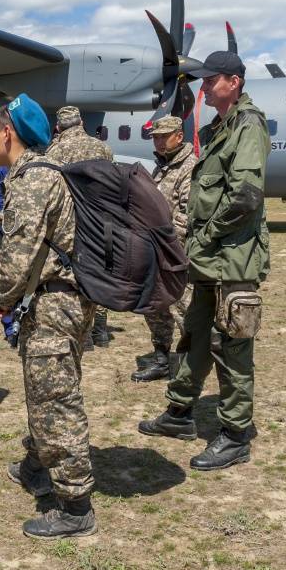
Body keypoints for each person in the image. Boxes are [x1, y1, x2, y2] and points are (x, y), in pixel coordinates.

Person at [138, 51, 270, 471]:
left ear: (233, 81)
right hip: (210, 261)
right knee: (193, 337)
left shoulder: (248, 125)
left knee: (232, 348)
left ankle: (234, 435)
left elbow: (246, 197)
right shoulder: (218, 128)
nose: (203, 88)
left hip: (232, 260)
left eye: (210, 80)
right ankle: (179, 413)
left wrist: (203, 239)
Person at [0, 94, 97, 539]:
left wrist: (4, 299)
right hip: (59, 299)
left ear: (8, 133)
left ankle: (76, 507)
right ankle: (37, 466)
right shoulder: (42, 173)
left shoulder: (33, 180)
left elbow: (19, 254)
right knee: (45, 392)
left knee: (56, 400)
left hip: (54, 303)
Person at [131, 115, 196, 382]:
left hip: (176, 255)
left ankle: (190, 365)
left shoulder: (188, 167)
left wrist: (165, 242)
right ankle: (161, 359)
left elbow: (187, 214)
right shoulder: (163, 166)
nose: (157, 142)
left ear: (178, 136)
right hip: (156, 252)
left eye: (163, 136)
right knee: (155, 308)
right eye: (155, 137)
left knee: (184, 310)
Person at [42, 106, 114, 347]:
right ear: (81, 122)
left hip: (73, 221)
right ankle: (101, 332)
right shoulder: (103, 148)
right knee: (100, 271)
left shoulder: (55, 150)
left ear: (58, 127)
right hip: (102, 219)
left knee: (76, 276)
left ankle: (84, 335)